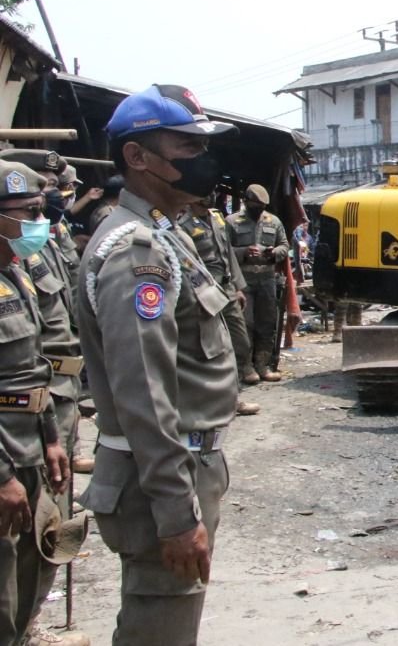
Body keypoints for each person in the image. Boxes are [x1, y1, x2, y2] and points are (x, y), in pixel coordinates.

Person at [77, 83, 239, 645]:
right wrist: (175, 513)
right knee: (159, 632)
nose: (203, 161)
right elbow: (144, 392)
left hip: (179, 469)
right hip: (159, 483)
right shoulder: (134, 250)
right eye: (187, 149)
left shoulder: (163, 235)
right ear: (138, 157)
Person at [0, 160, 74, 645]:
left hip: (30, 449)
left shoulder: (17, 276)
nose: (39, 221)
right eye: (28, 212)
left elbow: (37, 368)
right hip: (5, 460)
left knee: (30, 576)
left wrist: (51, 439)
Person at [18, 162, 92, 646]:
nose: (42, 212)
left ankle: (30, 620)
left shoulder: (37, 254)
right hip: (22, 417)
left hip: (58, 401)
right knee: (24, 525)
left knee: (53, 519)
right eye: (30, 208)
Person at [180, 195, 260, 414]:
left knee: (240, 343)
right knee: (214, 348)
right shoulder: (183, 225)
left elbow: (228, 256)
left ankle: (230, 395)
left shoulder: (217, 218)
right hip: (205, 293)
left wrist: (238, 287)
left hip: (227, 290)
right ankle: (227, 401)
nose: (209, 197)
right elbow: (187, 264)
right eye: (203, 194)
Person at [227, 184, 288, 383]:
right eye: (255, 205)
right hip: (243, 280)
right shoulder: (232, 221)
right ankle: (245, 367)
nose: (259, 209)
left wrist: (274, 253)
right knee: (245, 324)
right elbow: (224, 251)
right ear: (246, 202)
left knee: (267, 322)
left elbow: (285, 246)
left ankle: (263, 365)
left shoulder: (274, 221)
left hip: (267, 279)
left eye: (262, 206)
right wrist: (244, 252)